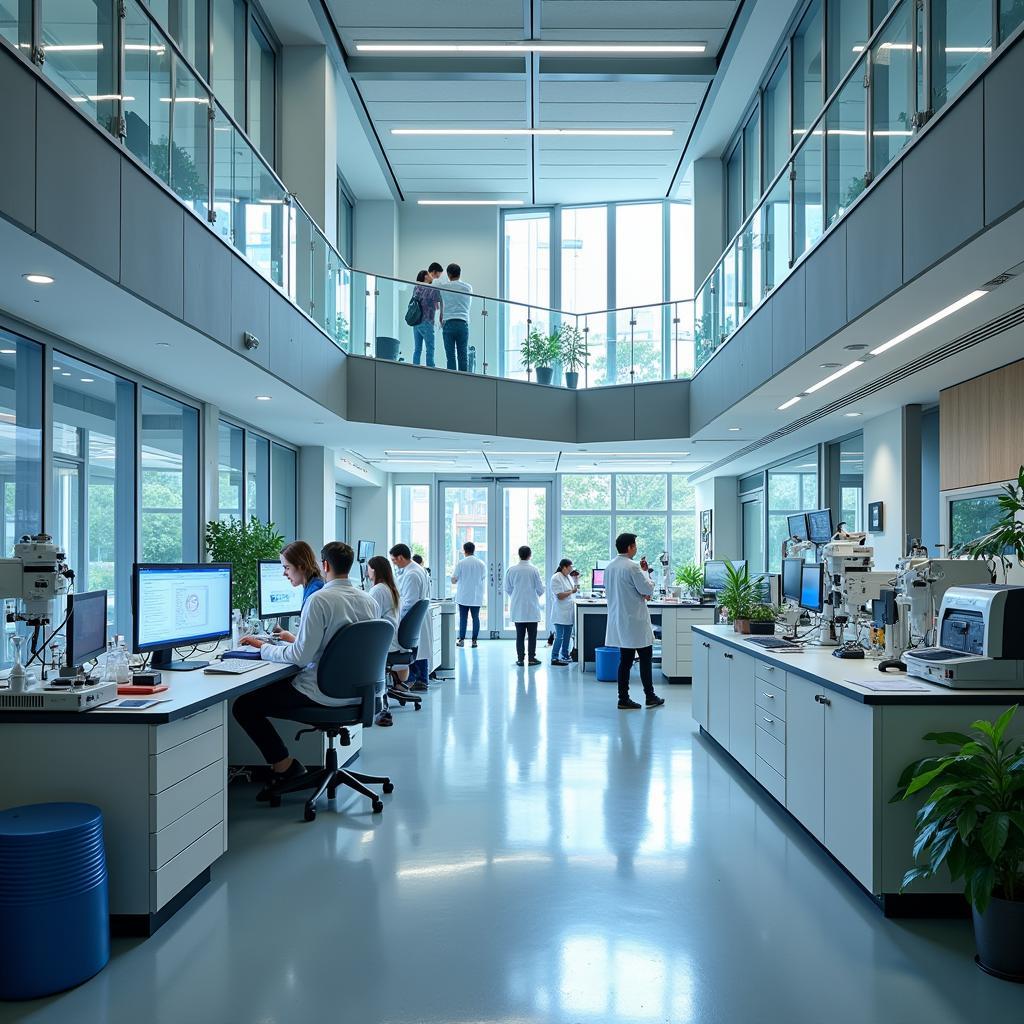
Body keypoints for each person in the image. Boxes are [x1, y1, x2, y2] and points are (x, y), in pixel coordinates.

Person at [232, 541, 383, 798]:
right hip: (363, 695)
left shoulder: (319, 600)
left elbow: (300, 658)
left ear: (324, 565)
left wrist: (263, 649)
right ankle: (286, 767)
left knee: (244, 706)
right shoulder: (369, 601)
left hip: (323, 695)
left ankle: (286, 767)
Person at [605, 532, 665, 710]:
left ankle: (623, 698)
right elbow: (647, 589)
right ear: (630, 547)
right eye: (635, 545)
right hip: (635, 620)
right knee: (646, 657)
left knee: (625, 660)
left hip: (620, 619)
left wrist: (643, 572)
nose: (636, 548)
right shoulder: (632, 567)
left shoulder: (610, 567)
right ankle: (650, 696)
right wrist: (647, 575)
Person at [389, 543, 431, 690]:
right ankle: (421, 679)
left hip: (411, 618)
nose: (394, 563)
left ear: (400, 557)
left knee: (408, 647)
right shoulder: (417, 569)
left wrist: (397, 618)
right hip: (418, 619)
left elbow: (409, 602)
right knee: (418, 649)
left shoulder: (411, 574)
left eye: (394, 560)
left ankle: (411, 679)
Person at [366, 555, 402, 726]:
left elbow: (369, 619)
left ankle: (377, 704)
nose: (367, 571)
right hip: (390, 640)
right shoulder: (388, 587)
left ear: (374, 569)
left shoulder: (378, 590)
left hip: (384, 644)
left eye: (368, 567)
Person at [272, 540, 324, 643]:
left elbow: (308, 646)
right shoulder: (313, 585)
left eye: (287, 568)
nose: (284, 573)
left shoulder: (314, 594)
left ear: (301, 566)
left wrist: (264, 646)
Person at [505, 545, 544, 667]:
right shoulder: (534, 570)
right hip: (532, 607)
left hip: (517, 606)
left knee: (519, 635)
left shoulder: (511, 570)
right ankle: (532, 658)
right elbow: (540, 589)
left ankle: (520, 659)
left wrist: (516, 596)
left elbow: (508, 588)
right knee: (532, 635)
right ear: (530, 555)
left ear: (519, 554)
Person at [451, 541, 485, 648]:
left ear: (464, 550)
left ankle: (461, 640)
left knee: (463, 618)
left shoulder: (461, 563)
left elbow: (454, 579)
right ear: (474, 550)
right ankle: (474, 641)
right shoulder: (481, 563)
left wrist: (454, 580)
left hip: (463, 596)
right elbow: (483, 578)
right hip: (476, 595)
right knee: (476, 618)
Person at [440, 263, 473, 372]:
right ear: (459, 273)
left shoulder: (444, 287)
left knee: (450, 357)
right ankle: (464, 383)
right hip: (463, 323)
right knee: (463, 356)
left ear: (448, 274)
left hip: (448, 323)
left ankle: (452, 383)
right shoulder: (468, 287)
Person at [549, 558, 578, 666]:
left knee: (567, 636)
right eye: (570, 567)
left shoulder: (568, 577)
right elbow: (559, 595)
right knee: (560, 636)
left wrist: (576, 580)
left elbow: (573, 589)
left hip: (568, 611)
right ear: (564, 567)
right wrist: (571, 591)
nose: (571, 569)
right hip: (560, 612)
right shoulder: (556, 577)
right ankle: (554, 658)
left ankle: (565, 655)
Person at [411, 270, 441, 368]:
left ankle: (415, 369)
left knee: (417, 349)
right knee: (430, 348)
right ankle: (430, 369)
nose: (431, 276)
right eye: (429, 274)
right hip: (427, 321)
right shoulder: (431, 288)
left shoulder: (416, 287)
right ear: (425, 276)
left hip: (416, 322)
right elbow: (438, 304)